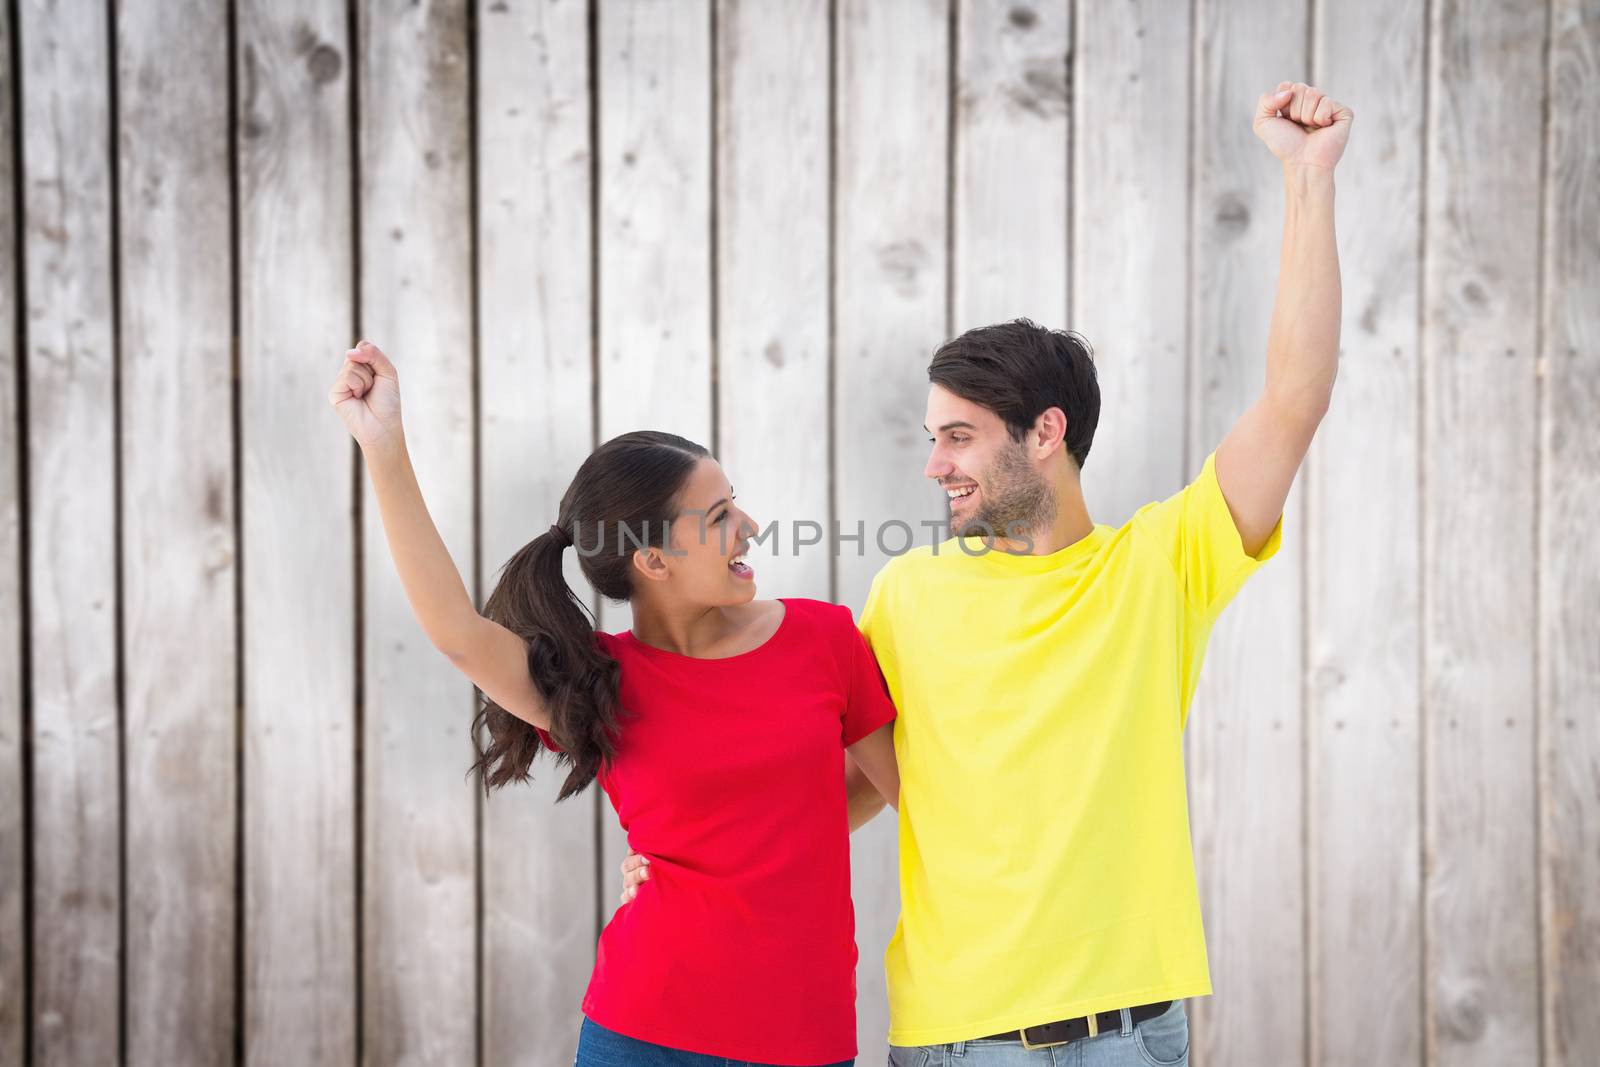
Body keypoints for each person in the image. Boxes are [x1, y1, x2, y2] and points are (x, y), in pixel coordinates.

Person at [622, 79, 1352, 1066]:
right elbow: (850, 780)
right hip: (960, 1041)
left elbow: (1294, 395)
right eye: (932, 437)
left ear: (1044, 433)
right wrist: (696, 868)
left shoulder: (1161, 563)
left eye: (959, 436)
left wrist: (1307, 179)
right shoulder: (906, 596)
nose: (934, 464)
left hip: (1136, 1036)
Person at [327, 343, 901, 1067]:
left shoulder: (826, 638)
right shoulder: (598, 679)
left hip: (803, 1037)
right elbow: (458, 633)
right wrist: (382, 445)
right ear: (652, 561)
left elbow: (899, 786)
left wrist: (772, 848)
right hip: (642, 1030)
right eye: (720, 514)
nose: (750, 526)